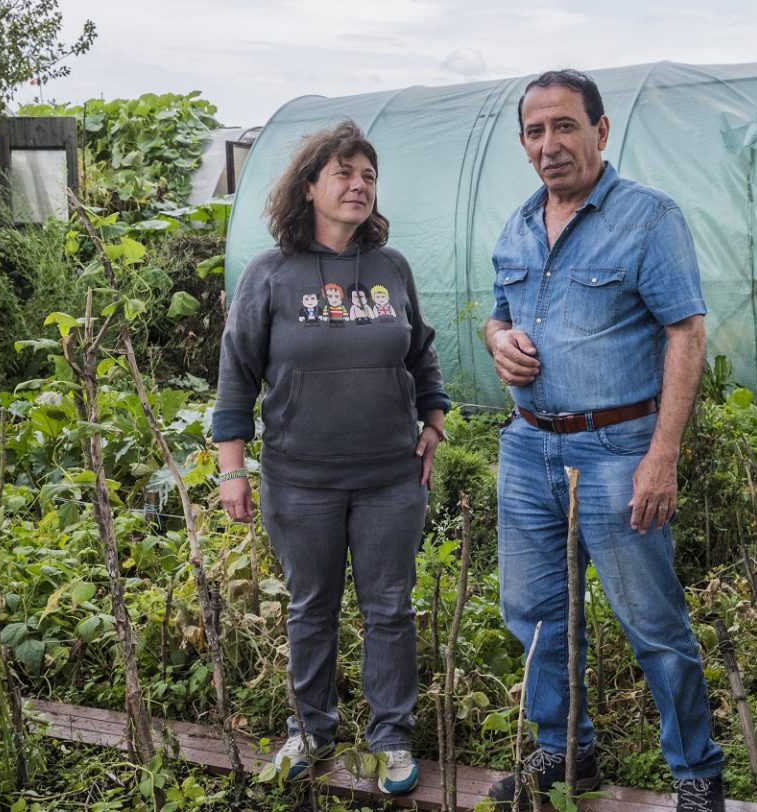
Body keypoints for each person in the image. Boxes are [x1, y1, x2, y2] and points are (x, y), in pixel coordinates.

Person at [482, 70, 726, 811]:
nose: (549, 145)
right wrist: (499, 340)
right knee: (533, 618)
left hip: (619, 451)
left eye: (564, 126)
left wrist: (663, 454)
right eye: (535, 131)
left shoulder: (649, 218)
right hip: (529, 450)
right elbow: (497, 312)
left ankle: (696, 773)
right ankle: (563, 756)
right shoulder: (518, 224)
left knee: (651, 621)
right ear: (523, 143)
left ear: (600, 130)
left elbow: (686, 333)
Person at [212, 121, 450, 797]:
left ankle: (389, 738)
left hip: (388, 479)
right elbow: (237, 375)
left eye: (368, 175)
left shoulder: (390, 268)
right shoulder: (271, 275)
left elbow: (421, 351)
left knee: (389, 608)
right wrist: (233, 469)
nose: (358, 185)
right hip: (301, 479)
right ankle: (312, 731)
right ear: (310, 186)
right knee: (311, 608)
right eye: (344, 173)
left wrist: (432, 419)